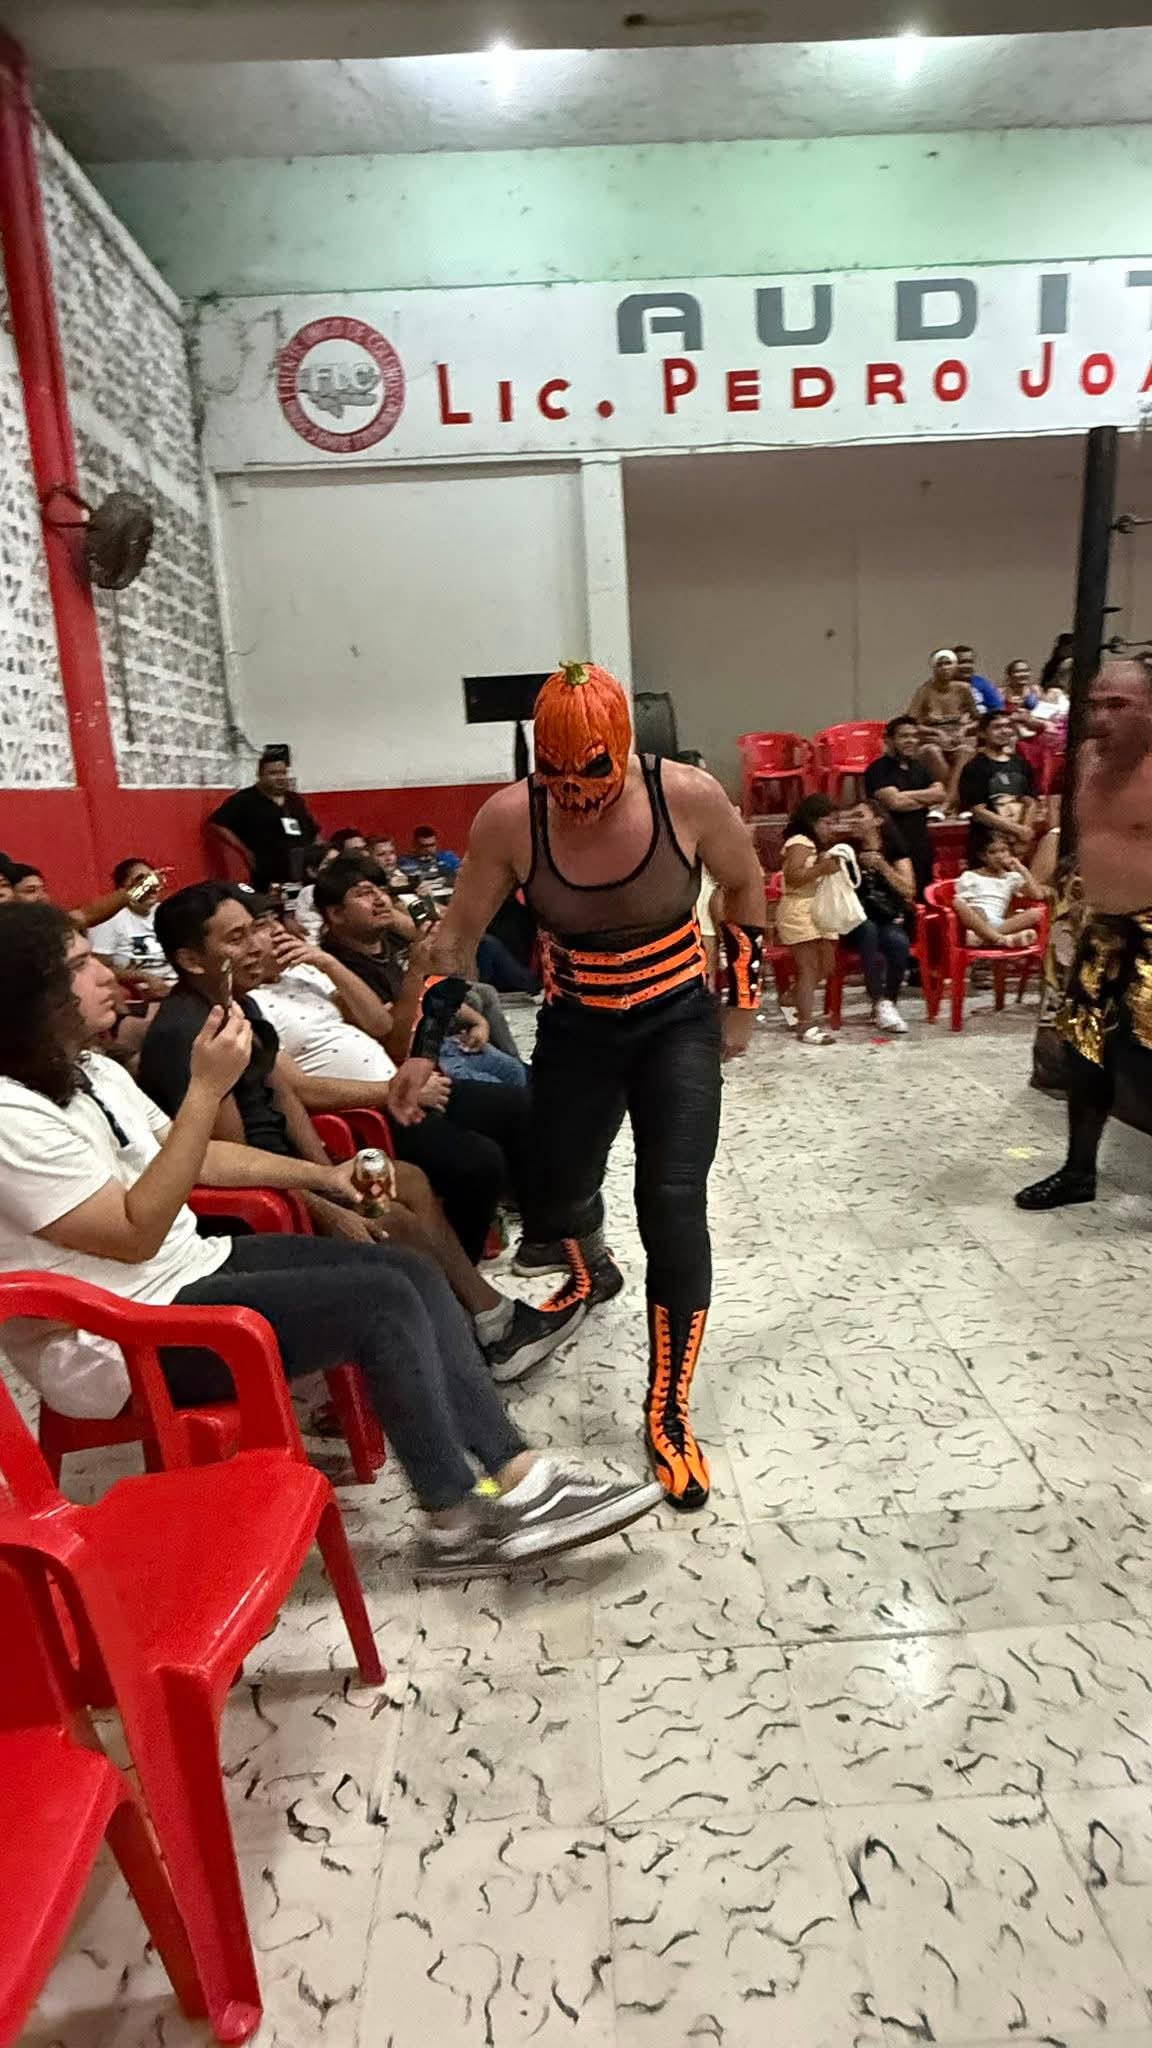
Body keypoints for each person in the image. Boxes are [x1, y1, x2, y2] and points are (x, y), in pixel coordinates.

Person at [0, 901, 659, 1576]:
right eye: (78, 966)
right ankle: (458, 1518)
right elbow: (134, 1235)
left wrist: (322, 1176)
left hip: (185, 1269)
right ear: (29, 998)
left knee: (405, 1267)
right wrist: (204, 1091)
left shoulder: (93, 1071)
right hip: (114, 1338)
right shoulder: (8, 1116)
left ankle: (511, 1473)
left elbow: (199, 1157)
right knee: (378, 1302)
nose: (105, 975)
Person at [387, 659, 766, 1512]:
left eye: (592, 773)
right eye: (554, 776)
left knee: (673, 1202)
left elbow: (743, 884)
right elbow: (454, 943)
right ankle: (594, 1270)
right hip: (577, 1027)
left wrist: (741, 1001)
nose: (575, 796)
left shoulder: (687, 796)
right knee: (553, 1194)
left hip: (675, 1024)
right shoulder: (512, 819)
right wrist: (423, 1048)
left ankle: (668, 1406)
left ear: (623, 747)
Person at [138, 883, 582, 1383]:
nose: (259, 946)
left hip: (293, 1172)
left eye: (255, 930)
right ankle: (474, 1337)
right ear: (192, 960)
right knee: (393, 1219)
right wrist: (328, 1206)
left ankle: (484, 1317)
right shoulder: (193, 1035)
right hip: (252, 1198)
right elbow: (235, 1158)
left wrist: (327, 1169)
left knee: (410, 1179)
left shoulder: (237, 1005)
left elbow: (286, 1095)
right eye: (237, 939)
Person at [249, 914, 522, 1269]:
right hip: (366, 1110)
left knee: (520, 1105)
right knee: (479, 1161)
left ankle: (543, 1229)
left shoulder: (303, 974)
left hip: (402, 1084)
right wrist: (396, 1092)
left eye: (274, 921)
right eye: (259, 926)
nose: (276, 931)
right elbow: (300, 1090)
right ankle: (463, 1265)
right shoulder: (250, 1004)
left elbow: (379, 1024)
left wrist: (327, 964)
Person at [1017, 658, 1152, 1211]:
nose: (1102, 716)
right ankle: (1079, 1172)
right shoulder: (1087, 760)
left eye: (1118, 705)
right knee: (1083, 1049)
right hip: (1101, 926)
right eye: (1096, 704)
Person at [838, 805, 916, 1032]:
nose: (854, 821)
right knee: (868, 930)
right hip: (852, 921)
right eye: (851, 816)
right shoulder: (845, 850)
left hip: (885, 917)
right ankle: (878, 1000)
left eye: (860, 815)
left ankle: (888, 1003)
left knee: (898, 941)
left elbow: (908, 890)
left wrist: (882, 867)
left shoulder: (894, 851)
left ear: (878, 820)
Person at [777, 794, 842, 1046]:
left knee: (827, 964)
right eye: (827, 823)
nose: (831, 829)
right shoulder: (800, 842)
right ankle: (805, 1025)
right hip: (799, 908)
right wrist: (822, 869)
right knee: (808, 967)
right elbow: (793, 877)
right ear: (812, 821)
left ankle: (790, 998)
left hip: (818, 907)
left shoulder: (817, 845)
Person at [208, 748, 320, 892]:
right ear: (260, 775)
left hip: (302, 871)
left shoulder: (294, 800)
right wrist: (244, 851)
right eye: (273, 773)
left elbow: (313, 831)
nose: (280, 777)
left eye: (283, 773)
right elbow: (217, 824)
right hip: (267, 874)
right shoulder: (245, 799)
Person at [863, 715, 947, 899]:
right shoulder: (878, 769)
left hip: (921, 842)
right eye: (904, 736)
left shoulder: (920, 767)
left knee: (923, 896)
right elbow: (895, 803)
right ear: (889, 740)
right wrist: (925, 798)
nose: (911, 741)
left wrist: (906, 796)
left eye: (914, 736)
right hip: (893, 845)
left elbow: (940, 794)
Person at [956, 711, 1037, 863]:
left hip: (1019, 842)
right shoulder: (975, 767)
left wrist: (1024, 833)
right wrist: (1017, 830)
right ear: (982, 733)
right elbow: (978, 811)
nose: (1004, 731)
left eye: (1007, 726)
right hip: (987, 845)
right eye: (997, 727)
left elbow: (1030, 802)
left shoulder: (1022, 764)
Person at [87, 859, 174, 993]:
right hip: (142, 990)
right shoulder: (108, 918)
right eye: (141, 881)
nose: (150, 886)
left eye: (152, 879)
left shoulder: (165, 912)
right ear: (122, 888)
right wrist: (143, 977)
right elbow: (99, 968)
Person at [908, 649, 978, 802]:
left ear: (955, 666)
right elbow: (911, 723)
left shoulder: (964, 689)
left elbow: (978, 719)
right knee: (932, 751)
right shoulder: (924, 690)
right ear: (934, 668)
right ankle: (953, 799)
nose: (945, 668)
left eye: (948, 664)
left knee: (965, 751)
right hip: (932, 738)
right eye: (940, 664)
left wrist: (964, 729)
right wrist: (937, 733)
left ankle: (949, 800)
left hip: (958, 737)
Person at [953, 833, 1041, 949]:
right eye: (993, 852)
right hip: (977, 919)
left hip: (999, 923)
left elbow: (1037, 895)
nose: (999, 856)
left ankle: (985, 939)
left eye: (1003, 851)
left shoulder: (1012, 878)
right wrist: (976, 912)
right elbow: (964, 903)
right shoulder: (970, 876)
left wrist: (1021, 867)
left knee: (1035, 913)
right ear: (983, 857)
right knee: (958, 902)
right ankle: (1001, 939)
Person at [954, 643, 1004, 714]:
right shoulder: (945, 685)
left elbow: (998, 709)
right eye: (962, 662)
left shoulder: (983, 684)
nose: (967, 666)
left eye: (970, 662)